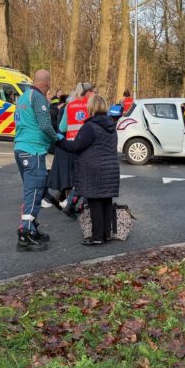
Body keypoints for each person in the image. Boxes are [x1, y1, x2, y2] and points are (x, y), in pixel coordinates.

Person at [56, 95, 120, 246]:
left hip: (94, 169)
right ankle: (106, 234)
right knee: (106, 201)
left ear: (91, 108)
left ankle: (97, 236)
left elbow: (76, 146)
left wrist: (59, 141)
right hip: (110, 168)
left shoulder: (90, 127)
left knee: (95, 201)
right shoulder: (111, 126)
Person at [14, 69, 57, 252]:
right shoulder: (38, 97)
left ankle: (31, 228)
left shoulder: (23, 97)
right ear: (47, 82)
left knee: (30, 191)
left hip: (21, 148)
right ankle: (25, 234)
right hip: (34, 150)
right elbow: (45, 125)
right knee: (34, 192)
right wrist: (56, 138)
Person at [54, 82, 96, 217]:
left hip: (72, 146)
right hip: (86, 145)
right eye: (93, 92)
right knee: (89, 176)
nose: (94, 94)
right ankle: (82, 206)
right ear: (88, 92)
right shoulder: (90, 105)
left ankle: (72, 204)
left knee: (80, 176)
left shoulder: (69, 105)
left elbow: (62, 127)